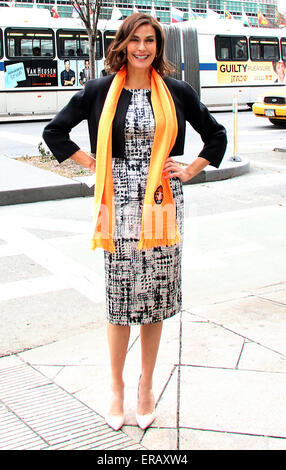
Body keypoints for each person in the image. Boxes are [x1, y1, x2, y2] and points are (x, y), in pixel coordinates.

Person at [43, 13, 227, 432]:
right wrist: (94, 162)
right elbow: (55, 133)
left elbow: (216, 136)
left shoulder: (177, 91)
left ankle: (146, 386)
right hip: (117, 201)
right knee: (120, 301)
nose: (142, 48)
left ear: (158, 47)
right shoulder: (100, 90)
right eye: (135, 40)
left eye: (150, 41)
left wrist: (193, 168)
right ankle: (116, 388)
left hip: (162, 202)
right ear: (123, 44)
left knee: (156, 299)